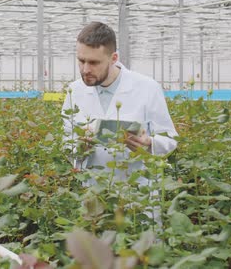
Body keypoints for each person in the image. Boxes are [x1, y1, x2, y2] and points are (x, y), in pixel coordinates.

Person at [62, 21, 178, 185]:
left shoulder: (147, 88)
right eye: (81, 61)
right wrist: (79, 147)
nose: (85, 69)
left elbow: (170, 140)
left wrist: (149, 143)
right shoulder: (74, 91)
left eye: (94, 63)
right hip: (93, 192)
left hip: (137, 193)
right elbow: (67, 143)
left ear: (114, 58)